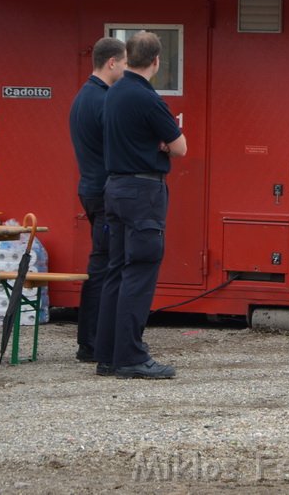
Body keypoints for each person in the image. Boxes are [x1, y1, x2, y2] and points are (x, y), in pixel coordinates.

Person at [94, 31, 186, 379]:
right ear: (157, 62)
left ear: (127, 57)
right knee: (140, 271)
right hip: (143, 191)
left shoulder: (114, 92)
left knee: (115, 270)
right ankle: (131, 356)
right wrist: (161, 145)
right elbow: (180, 147)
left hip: (114, 187)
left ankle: (107, 354)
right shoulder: (148, 98)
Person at [68, 37, 127, 363]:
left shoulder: (84, 96)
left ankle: (93, 340)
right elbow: (118, 144)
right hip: (104, 193)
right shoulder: (102, 100)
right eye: (126, 63)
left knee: (102, 264)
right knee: (104, 267)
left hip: (92, 188)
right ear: (112, 63)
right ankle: (91, 343)